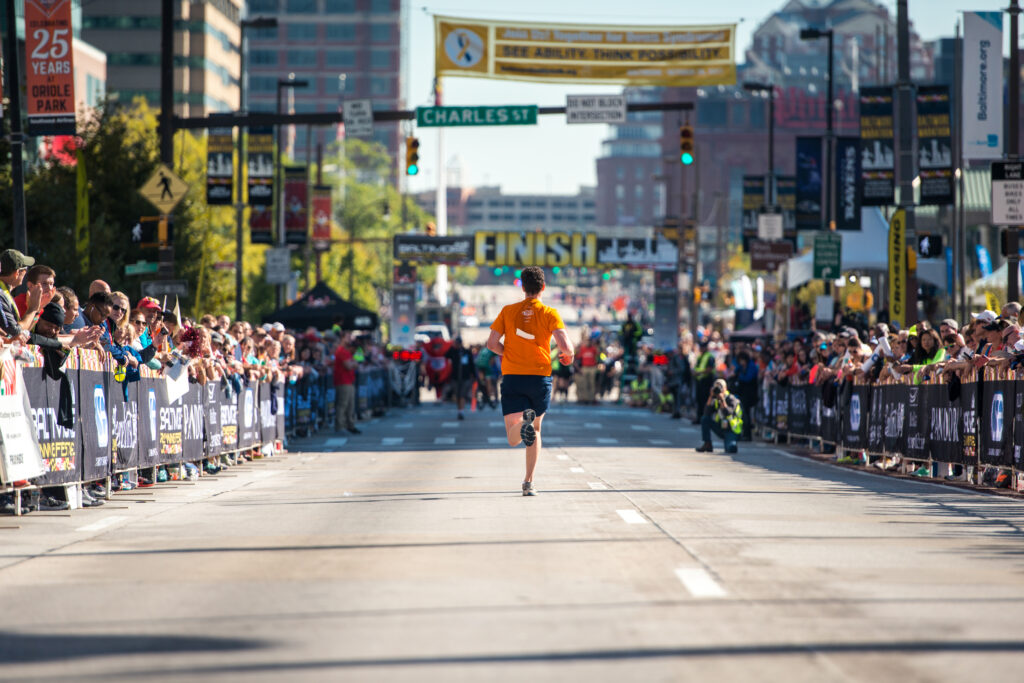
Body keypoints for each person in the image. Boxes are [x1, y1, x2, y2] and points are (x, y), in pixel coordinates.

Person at [486, 266, 573, 496]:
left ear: (522, 288)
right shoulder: (550, 313)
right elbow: (565, 346)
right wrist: (569, 355)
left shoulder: (508, 311)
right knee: (536, 430)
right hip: (540, 378)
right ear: (543, 287)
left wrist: (508, 353)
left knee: (513, 437)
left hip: (513, 377)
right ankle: (528, 483)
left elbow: (491, 343)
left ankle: (523, 423)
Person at [696, 378, 743, 454]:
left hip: (731, 430)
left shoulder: (732, 399)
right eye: (716, 387)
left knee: (731, 449)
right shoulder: (715, 399)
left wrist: (723, 401)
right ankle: (707, 444)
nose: (718, 390)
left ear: (725, 388)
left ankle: (731, 442)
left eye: (720, 387)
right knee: (705, 419)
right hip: (721, 427)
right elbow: (706, 413)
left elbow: (728, 413)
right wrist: (711, 396)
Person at [333, 331, 360, 434]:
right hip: (343, 381)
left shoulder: (347, 352)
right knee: (342, 404)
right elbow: (349, 365)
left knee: (350, 405)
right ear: (342, 338)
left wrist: (352, 363)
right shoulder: (341, 351)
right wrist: (353, 363)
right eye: (348, 337)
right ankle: (340, 426)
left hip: (349, 380)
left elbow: (355, 363)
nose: (350, 339)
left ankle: (350, 425)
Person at [444, 336, 475, 420]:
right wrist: (452, 347)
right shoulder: (453, 351)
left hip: (465, 377)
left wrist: (474, 375)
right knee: (457, 395)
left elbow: (471, 364)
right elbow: (446, 355)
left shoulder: (467, 352)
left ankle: (461, 412)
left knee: (462, 395)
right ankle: (459, 410)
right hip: (455, 377)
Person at [691, 339, 716, 424]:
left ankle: (705, 418)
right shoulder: (700, 356)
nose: (701, 349)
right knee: (699, 400)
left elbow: (709, 369)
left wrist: (698, 372)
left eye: (702, 347)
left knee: (705, 400)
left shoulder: (709, 356)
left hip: (707, 381)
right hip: (700, 381)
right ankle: (699, 417)